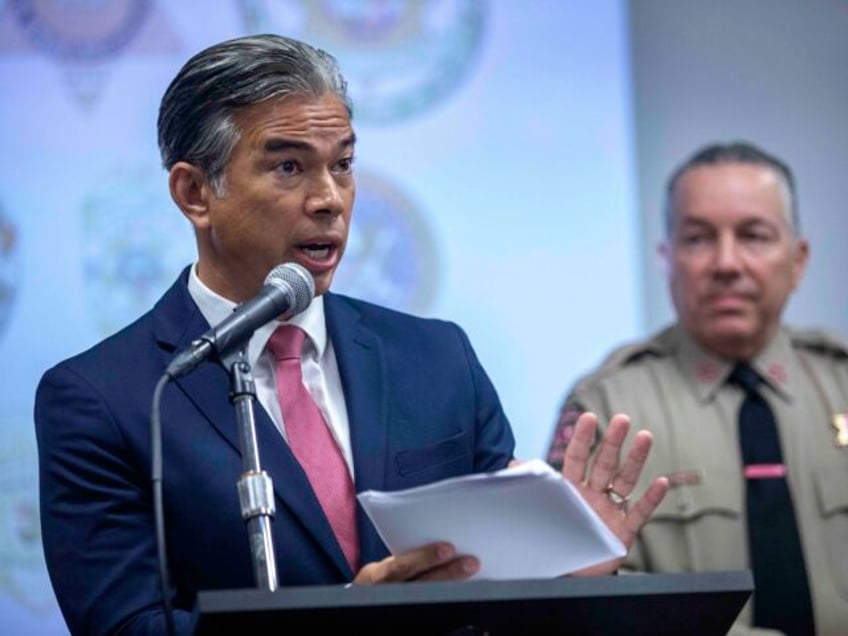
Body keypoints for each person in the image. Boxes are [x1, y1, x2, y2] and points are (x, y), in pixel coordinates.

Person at [34, 34, 668, 635]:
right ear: (195, 193)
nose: (330, 199)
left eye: (343, 165)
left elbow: (492, 605)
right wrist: (348, 621)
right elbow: (129, 627)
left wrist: (564, 573)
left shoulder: (438, 357)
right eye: (288, 166)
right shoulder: (105, 398)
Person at [546, 141, 848, 635]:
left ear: (798, 260)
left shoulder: (840, 379)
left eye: (754, 235)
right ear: (666, 259)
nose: (726, 263)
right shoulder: (605, 407)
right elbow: (582, 599)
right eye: (698, 238)